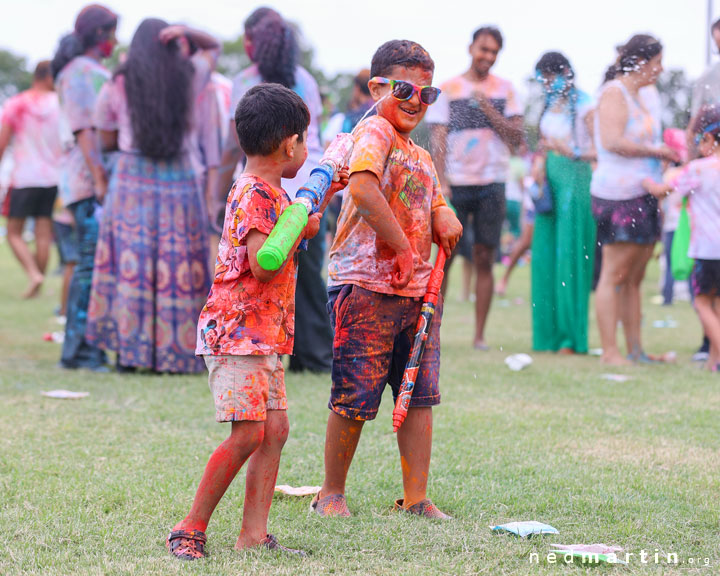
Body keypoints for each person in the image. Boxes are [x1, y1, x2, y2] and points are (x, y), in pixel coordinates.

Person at [167, 83, 347, 559]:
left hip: (265, 334)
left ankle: (254, 533)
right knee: (248, 432)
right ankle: (190, 527)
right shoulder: (253, 194)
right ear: (289, 144)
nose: (306, 151)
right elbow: (264, 262)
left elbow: (285, 240)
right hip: (237, 334)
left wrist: (309, 217)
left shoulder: (273, 193)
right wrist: (297, 226)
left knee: (275, 430)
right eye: (304, 141)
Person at [312, 40, 462, 519]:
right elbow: (361, 187)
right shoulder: (374, 131)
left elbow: (433, 198)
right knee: (354, 393)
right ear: (377, 87)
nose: (416, 100)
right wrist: (400, 246)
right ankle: (330, 492)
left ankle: (416, 497)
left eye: (427, 93)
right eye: (404, 88)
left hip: (417, 292)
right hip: (365, 286)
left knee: (418, 394)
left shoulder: (418, 153)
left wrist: (445, 214)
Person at [86, 20, 219, 374]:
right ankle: (176, 356)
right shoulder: (189, 75)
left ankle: (131, 354)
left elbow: (106, 138)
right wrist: (188, 31)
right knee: (180, 267)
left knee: (132, 266)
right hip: (181, 180)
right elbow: (213, 46)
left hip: (132, 180)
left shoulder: (118, 81)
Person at [215, 7, 333, 373]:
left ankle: (276, 348)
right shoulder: (306, 80)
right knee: (304, 273)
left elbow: (232, 143)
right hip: (300, 185)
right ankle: (312, 355)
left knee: (289, 270)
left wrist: (219, 188)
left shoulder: (245, 81)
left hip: (279, 181)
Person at [426, 26, 524, 350]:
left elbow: (516, 137)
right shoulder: (449, 88)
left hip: (492, 184)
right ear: (471, 48)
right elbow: (438, 139)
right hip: (456, 186)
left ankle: (479, 335)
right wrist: (441, 183)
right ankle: (432, 332)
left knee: (485, 257)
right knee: (445, 257)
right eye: (484, 49)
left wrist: (487, 108)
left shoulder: (506, 90)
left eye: (494, 52)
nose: (488, 57)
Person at [591, 35, 679, 366]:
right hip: (616, 196)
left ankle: (636, 350)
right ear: (641, 62)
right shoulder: (614, 92)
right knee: (613, 274)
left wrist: (662, 164)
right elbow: (612, 141)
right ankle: (609, 352)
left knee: (635, 277)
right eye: (657, 62)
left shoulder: (641, 96)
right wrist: (655, 150)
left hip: (643, 193)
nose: (660, 69)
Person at [52, 3, 118, 371]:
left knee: (91, 265)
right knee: (88, 267)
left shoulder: (92, 71)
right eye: (111, 32)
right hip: (88, 183)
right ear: (98, 34)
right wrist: (99, 178)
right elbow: (85, 131)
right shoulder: (80, 73)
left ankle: (86, 347)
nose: (115, 40)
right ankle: (79, 351)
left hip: (92, 182)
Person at [644, 105, 720, 371]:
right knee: (717, 304)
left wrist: (646, 184)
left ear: (709, 139)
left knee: (702, 302)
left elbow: (664, 190)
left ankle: (718, 353)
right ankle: (713, 361)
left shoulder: (697, 169)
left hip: (707, 250)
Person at [531, 52, 596, 355]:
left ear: (564, 74)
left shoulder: (585, 104)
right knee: (545, 256)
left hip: (575, 179)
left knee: (569, 258)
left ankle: (571, 336)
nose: (546, 83)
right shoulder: (549, 104)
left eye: (549, 77)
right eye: (542, 78)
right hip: (550, 182)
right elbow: (543, 143)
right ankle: (549, 334)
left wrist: (566, 149)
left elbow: (598, 150)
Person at [0, 61, 63, 299]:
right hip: (52, 177)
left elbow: (3, 142)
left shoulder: (17, 104)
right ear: (46, 77)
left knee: (14, 232)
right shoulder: (59, 104)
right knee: (43, 232)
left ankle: (33, 274)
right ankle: (37, 280)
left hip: (24, 176)